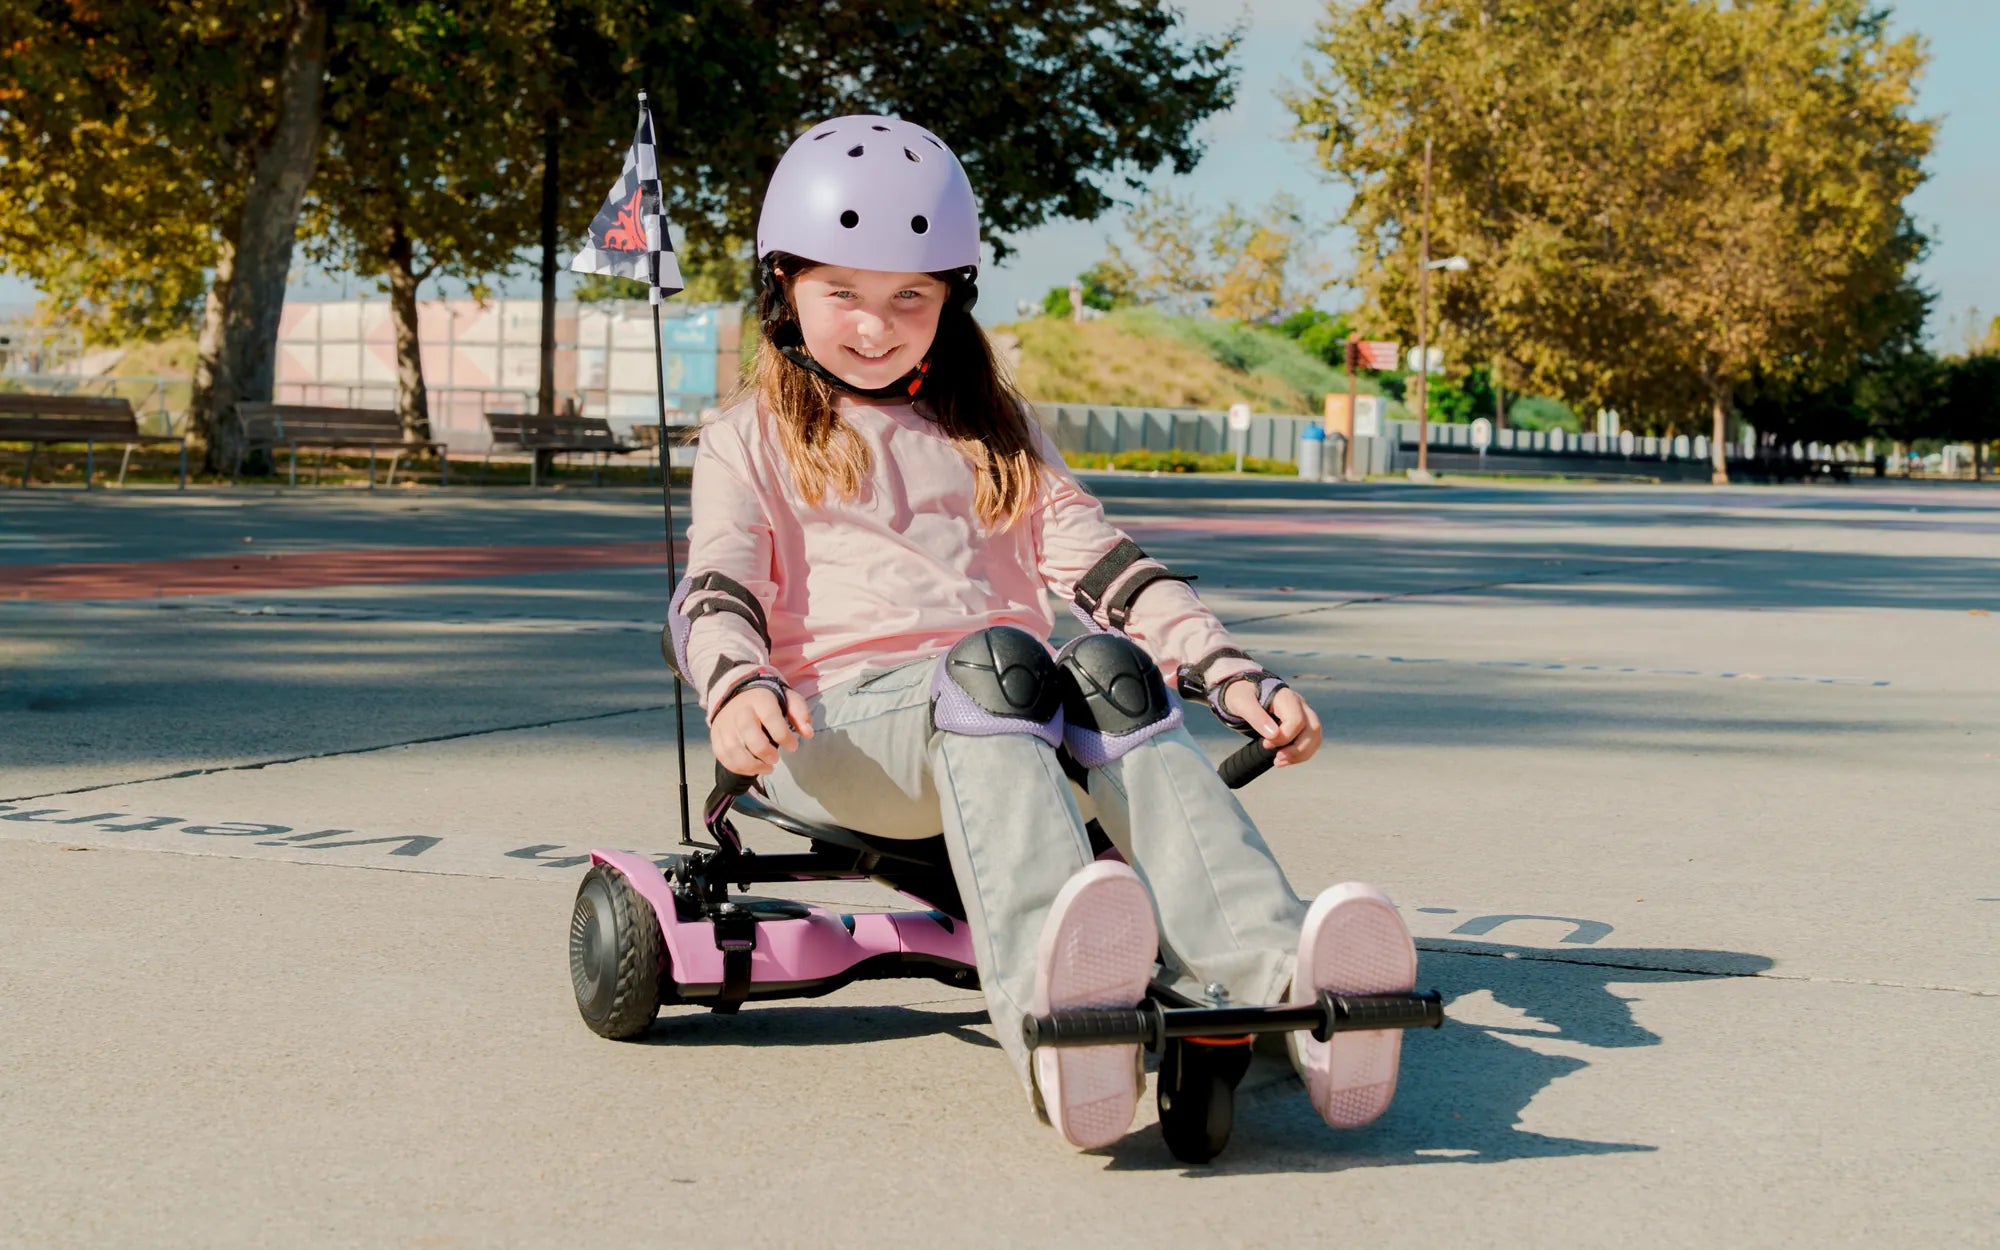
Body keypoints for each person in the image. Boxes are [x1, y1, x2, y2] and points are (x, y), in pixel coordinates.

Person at [678, 115, 1417, 1150]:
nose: (874, 325)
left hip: (1007, 709)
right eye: (840, 291)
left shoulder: (995, 432)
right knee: (1000, 665)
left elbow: (1107, 569)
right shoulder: (747, 438)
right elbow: (714, 586)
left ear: (950, 299)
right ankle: (1054, 1025)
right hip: (836, 736)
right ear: (782, 287)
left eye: (910, 297)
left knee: (1106, 669)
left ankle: (1273, 972)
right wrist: (735, 686)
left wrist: (1227, 671)